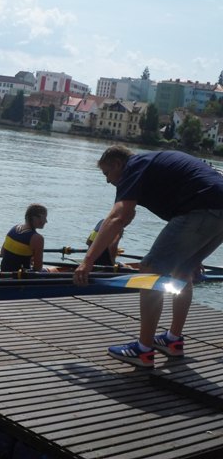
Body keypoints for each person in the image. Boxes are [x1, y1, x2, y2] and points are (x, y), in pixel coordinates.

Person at [74, 145, 223, 368]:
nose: (107, 180)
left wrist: (87, 261)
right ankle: (173, 340)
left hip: (201, 209)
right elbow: (128, 215)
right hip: (216, 208)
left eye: (107, 173)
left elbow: (118, 217)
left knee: (150, 270)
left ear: (118, 164)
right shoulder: (150, 165)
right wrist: (194, 252)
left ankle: (143, 350)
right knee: (182, 271)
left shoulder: (133, 167)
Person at [0, 204, 48, 272]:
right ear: (37, 218)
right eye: (45, 218)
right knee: (46, 271)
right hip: (22, 276)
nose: (46, 221)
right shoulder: (37, 238)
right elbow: (38, 268)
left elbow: (2, 253)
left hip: (4, 271)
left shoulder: (13, 229)